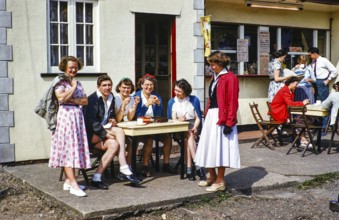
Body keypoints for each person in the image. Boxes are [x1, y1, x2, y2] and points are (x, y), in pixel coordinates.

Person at [83, 75, 141, 190]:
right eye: (104, 85)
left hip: (104, 130)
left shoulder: (111, 97)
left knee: (115, 143)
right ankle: (124, 168)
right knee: (119, 132)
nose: (107, 87)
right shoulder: (92, 100)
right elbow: (91, 122)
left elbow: (110, 115)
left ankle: (96, 177)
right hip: (91, 135)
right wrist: (104, 134)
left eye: (109, 85)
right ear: (98, 87)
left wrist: (112, 119)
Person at [194, 51, 240, 192]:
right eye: (210, 65)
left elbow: (232, 101)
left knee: (220, 149)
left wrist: (229, 122)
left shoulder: (230, 78)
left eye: (212, 64)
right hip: (212, 116)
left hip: (222, 116)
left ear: (220, 64)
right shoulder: (215, 77)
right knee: (208, 146)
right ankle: (212, 176)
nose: (211, 67)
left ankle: (220, 180)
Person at [48, 56, 91, 197]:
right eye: (71, 67)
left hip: (76, 118)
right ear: (65, 67)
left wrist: (71, 98)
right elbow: (61, 98)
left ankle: (67, 181)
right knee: (68, 148)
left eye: (75, 67)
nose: (73, 69)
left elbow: (85, 101)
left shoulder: (77, 83)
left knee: (74, 148)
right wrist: (72, 88)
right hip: (65, 118)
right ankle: (74, 184)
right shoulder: (60, 82)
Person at [134, 73, 176, 177]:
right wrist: (146, 105)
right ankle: (145, 166)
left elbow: (158, 115)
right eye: (147, 85)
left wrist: (158, 104)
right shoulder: (137, 96)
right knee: (149, 139)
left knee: (167, 138)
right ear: (142, 85)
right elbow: (136, 116)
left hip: (154, 127)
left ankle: (166, 164)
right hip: (141, 128)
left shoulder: (156, 96)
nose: (149, 87)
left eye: (151, 85)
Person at [167, 79, 206, 181]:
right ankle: (197, 165)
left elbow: (198, 118)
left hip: (193, 126)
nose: (176, 93)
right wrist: (179, 120)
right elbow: (172, 119)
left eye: (179, 91)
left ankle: (189, 169)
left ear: (185, 91)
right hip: (179, 127)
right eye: (175, 90)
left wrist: (195, 127)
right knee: (188, 135)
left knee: (188, 138)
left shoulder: (194, 100)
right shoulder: (173, 102)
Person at [270, 76, 310, 146]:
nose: (297, 86)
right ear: (291, 83)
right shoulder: (285, 91)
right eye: (296, 84)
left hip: (281, 111)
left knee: (298, 118)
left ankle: (300, 137)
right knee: (299, 118)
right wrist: (302, 103)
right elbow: (290, 104)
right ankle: (302, 138)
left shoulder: (288, 90)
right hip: (279, 113)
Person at [308, 47, 338, 133]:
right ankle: (317, 126)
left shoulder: (324, 60)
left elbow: (334, 71)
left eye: (310, 55)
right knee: (317, 104)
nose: (310, 57)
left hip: (322, 82)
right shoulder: (313, 62)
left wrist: (328, 80)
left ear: (315, 53)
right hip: (315, 82)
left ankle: (324, 127)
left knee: (324, 104)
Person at [114, 77, 140, 165]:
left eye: (128, 88)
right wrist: (123, 105)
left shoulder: (131, 98)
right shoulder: (115, 99)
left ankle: (128, 166)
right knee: (126, 143)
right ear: (119, 88)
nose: (126, 90)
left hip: (124, 126)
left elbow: (130, 118)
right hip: (115, 126)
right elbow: (117, 119)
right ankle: (124, 164)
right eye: (124, 87)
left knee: (133, 141)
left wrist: (135, 106)